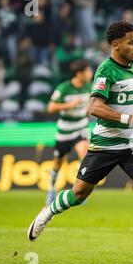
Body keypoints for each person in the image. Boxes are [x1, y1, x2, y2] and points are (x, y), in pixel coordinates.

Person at [27, 21, 133, 264]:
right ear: (115, 45)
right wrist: (129, 119)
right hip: (105, 145)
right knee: (79, 194)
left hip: (131, 144)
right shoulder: (106, 71)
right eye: (131, 42)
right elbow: (94, 107)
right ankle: (47, 212)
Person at [45, 59, 93, 205]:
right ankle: (52, 189)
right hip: (65, 131)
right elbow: (51, 107)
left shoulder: (89, 87)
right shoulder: (64, 88)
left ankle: (80, 192)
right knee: (58, 163)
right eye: (88, 71)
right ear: (79, 73)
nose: (90, 74)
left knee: (85, 156)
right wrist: (69, 105)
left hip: (81, 127)